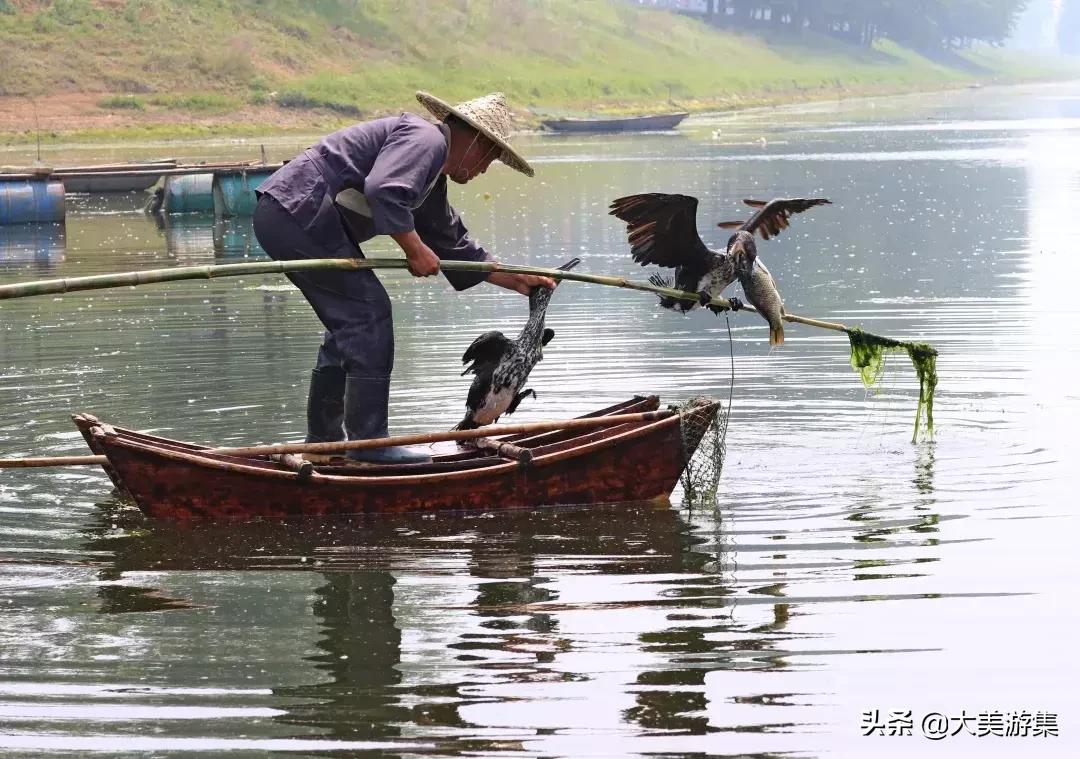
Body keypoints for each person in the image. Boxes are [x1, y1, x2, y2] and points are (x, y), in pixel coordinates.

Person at [253, 91, 554, 464]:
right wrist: (413, 249)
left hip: (293, 214)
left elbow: (451, 242)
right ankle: (369, 446)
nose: (484, 169)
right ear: (476, 142)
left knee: (348, 328)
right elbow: (384, 191)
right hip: (298, 209)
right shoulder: (425, 139)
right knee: (368, 314)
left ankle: (323, 445)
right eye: (489, 157)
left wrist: (516, 279)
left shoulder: (430, 175)